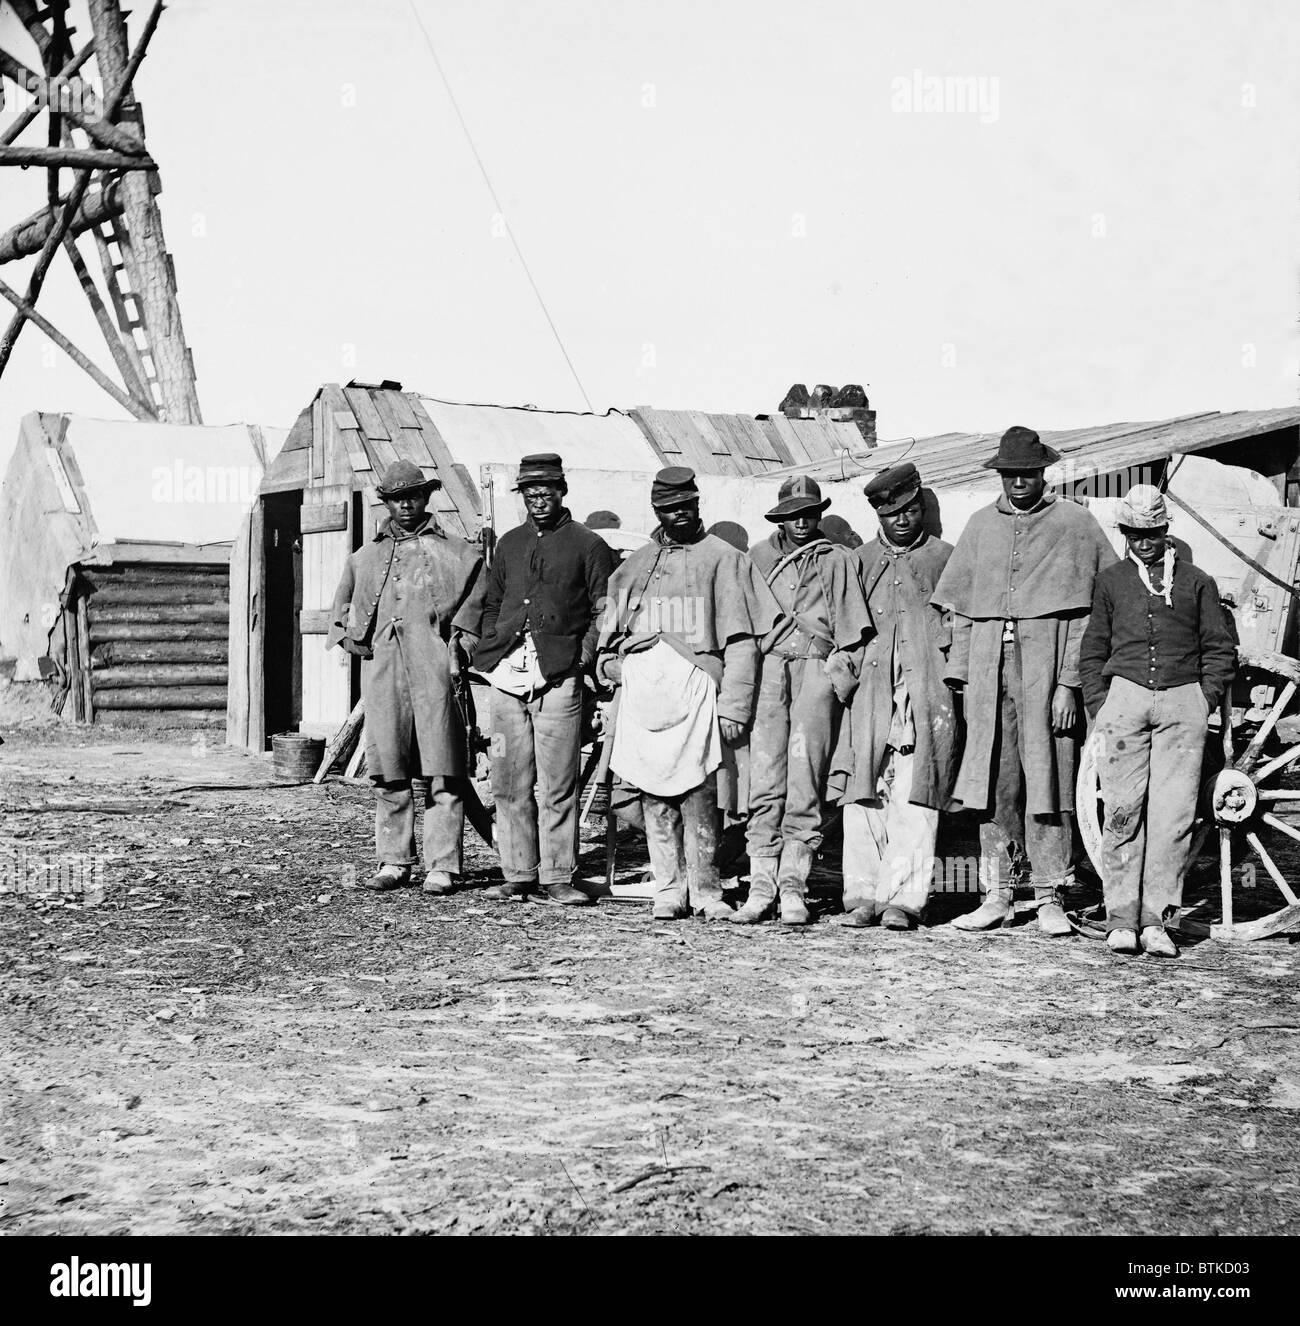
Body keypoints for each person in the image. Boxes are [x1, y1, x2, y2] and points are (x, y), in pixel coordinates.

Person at [933, 426, 1116, 934]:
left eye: (1028, 474)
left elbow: (1089, 615)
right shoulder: (979, 526)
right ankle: (997, 893)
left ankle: (1050, 895)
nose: (1019, 482)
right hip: (990, 672)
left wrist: (1067, 684)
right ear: (1000, 474)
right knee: (995, 779)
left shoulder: (1076, 525)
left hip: (1047, 668)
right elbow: (964, 614)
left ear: (1043, 473)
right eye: (1010, 474)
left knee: (1049, 775)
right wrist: (965, 678)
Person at [596, 467, 781, 921]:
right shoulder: (634, 565)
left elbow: (743, 643)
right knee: (654, 797)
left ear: (697, 506)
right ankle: (668, 888)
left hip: (698, 692)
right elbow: (606, 644)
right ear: (656, 511)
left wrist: (735, 704)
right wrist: (614, 667)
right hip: (645, 697)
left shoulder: (725, 559)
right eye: (667, 509)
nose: (677, 515)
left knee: (700, 794)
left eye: (685, 506)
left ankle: (705, 890)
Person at [1079, 485, 1235, 957]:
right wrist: (1102, 704)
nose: (1143, 543)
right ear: (1124, 533)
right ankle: (1120, 920)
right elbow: (1093, 649)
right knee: (1123, 811)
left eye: (1151, 533)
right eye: (1134, 533)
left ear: (1165, 531)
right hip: (1123, 705)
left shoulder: (1195, 581)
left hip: (1182, 704)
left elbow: (1218, 647)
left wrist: (1201, 700)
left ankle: (1157, 921)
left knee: (1174, 817)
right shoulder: (1110, 581)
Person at [328, 459, 485, 894]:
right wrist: (357, 643)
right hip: (384, 675)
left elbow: (478, 609)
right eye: (397, 499)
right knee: (388, 767)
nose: (407, 505)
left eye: (414, 496)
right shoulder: (364, 557)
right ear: (387, 502)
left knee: (443, 767)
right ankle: (394, 860)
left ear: (427, 496)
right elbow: (339, 615)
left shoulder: (458, 553)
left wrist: (462, 646)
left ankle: (443, 865)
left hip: (435, 670)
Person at [472, 453, 617, 906]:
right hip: (506, 676)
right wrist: (493, 640)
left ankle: (557, 875)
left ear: (562, 491)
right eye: (530, 494)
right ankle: (518, 873)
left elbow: (604, 609)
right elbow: (493, 600)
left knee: (558, 782)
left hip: (559, 677)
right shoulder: (510, 545)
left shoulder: (588, 545)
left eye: (546, 492)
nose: (538, 501)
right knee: (509, 782)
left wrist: (583, 657)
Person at [732, 476, 872, 925]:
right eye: (793, 514)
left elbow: (856, 632)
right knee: (764, 776)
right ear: (780, 517)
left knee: (805, 776)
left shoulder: (838, 559)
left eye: (809, 513)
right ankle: (760, 885)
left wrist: (837, 672)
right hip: (770, 671)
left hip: (815, 672)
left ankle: (794, 887)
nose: (801, 522)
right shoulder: (756, 559)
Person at [834, 463, 958, 929]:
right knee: (863, 792)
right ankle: (862, 896)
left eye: (911, 509)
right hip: (870, 695)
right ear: (878, 517)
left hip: (927, 695)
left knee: (917, 794)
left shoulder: (946, 558)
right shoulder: (858, 561)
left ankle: (903, 901)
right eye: (893, 513)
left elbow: (960, 626)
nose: (903, 520)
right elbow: (840, 632)